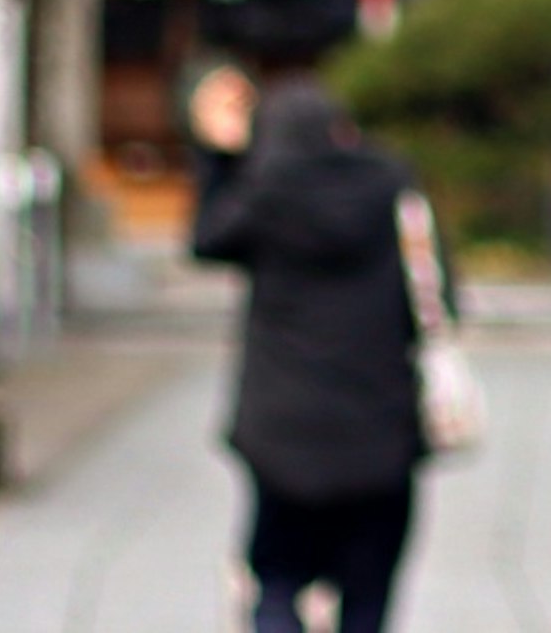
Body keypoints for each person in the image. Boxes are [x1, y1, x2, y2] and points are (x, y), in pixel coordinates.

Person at [190, 69, 450, 633]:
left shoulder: (264, 195)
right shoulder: (393, 188)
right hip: (381, 424)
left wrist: (219, 154)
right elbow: (439, 294)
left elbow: (207, 240)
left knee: (277, 582)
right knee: (368, 596)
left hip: (281, 431)